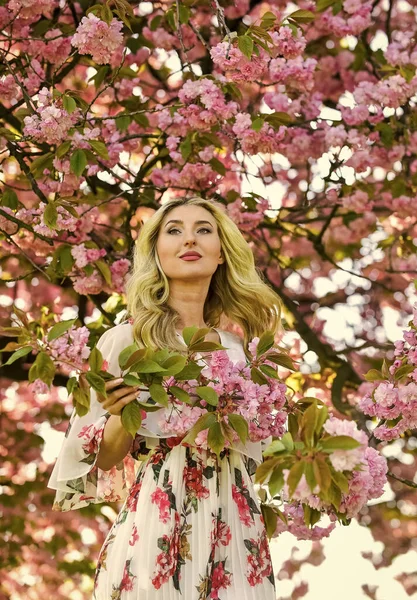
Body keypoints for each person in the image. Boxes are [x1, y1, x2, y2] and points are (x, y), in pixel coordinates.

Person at [48, 196, 283, 599]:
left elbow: (258, 451)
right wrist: (124, 413)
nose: (189, 239)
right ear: (157, 251)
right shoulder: (127, 340)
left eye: (203, 230)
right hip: (158, 513)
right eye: (174, 230)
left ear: (222, 252)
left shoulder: (239, 350)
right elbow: (101, 456)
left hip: (234, 521)